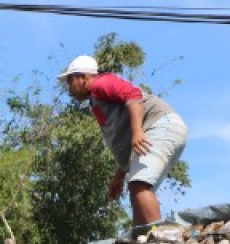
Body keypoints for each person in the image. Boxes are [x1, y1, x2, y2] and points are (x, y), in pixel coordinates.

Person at [57, 54, 188, 228]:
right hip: (162, 129)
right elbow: (127, 143)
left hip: (160, 125)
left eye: (70, 80)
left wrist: (137, 132)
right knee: (137, 195)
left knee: (139, 185)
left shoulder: (100, 83)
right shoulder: (97, 100)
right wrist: (119, 176)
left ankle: (161, 240)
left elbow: (133, 96)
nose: (69, 87)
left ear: (83, 77)